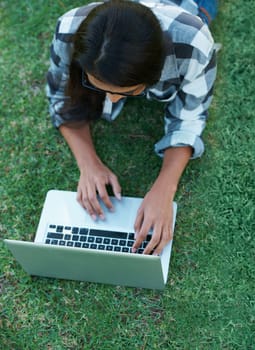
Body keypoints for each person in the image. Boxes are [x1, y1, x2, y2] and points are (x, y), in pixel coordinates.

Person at [46, 0, 218, 255]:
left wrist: (164, 189)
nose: (113, 99)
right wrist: (88, 163)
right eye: (99, 87)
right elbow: (60, 97)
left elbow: (189, 117)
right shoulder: (70, 29)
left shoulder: (193, 43)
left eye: (127, 92)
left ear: (155, 73)